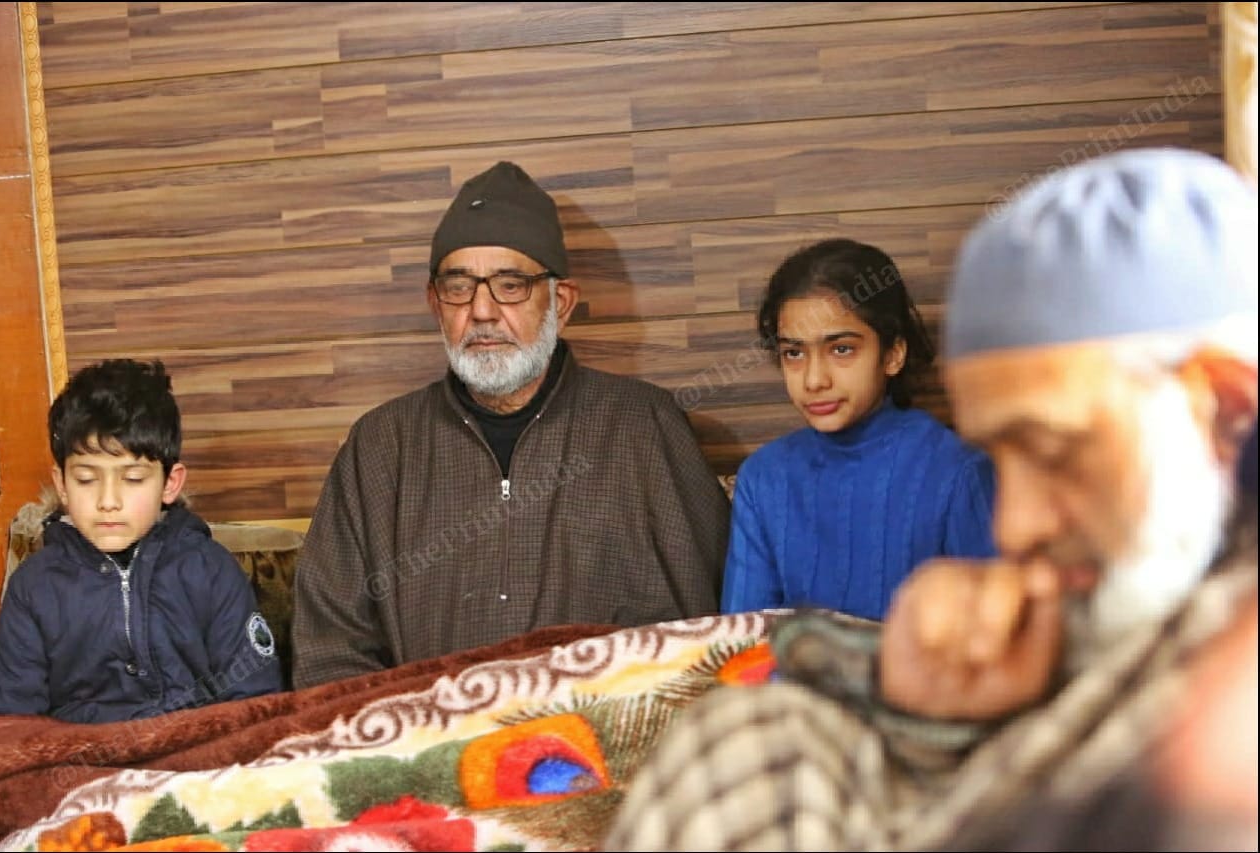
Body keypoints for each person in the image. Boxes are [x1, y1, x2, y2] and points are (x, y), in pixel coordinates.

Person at [605, 147, 1258, 850]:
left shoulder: (1224, 723)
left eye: (1052, 450)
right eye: (1000, 458)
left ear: (1227, 409)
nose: (1014, 526)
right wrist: (924, 724)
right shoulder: (772, 480)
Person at [291, 161, 730, 689]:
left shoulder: (645, 426)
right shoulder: (381, 446)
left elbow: (707, 627)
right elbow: (330, 650)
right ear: (435, 303)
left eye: (511, 285)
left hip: (610, 732)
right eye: (458, 287)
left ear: (560, 303)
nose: (482, 311)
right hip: (428, 736)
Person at [0, 359, 283, 723]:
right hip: (79, 755)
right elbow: (9, 723)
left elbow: (255, 701)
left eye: (133, 479)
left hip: (196, 751)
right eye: (86, 479)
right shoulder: (33, 587)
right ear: (62, 484)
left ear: (170, 484)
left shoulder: (212, 571)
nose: (109, 501)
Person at [723, 238, 995, 620]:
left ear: (893, 354)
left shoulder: (957, 471)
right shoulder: (764, 478)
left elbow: (996, 632)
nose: (814, 380)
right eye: (794, 353)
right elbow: (741, 636)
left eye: (841, 349)